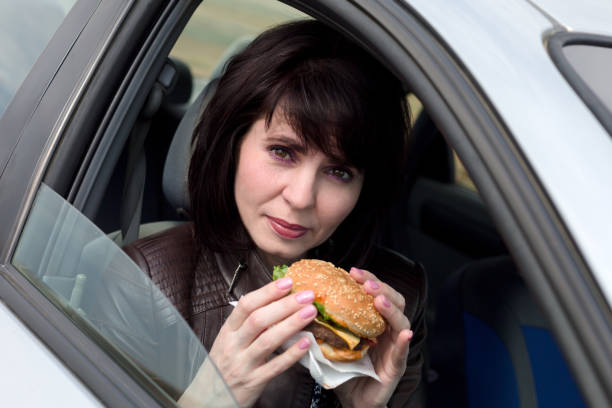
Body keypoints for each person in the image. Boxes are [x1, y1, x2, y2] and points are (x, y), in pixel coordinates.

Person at [124, 19, 426, 407]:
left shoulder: (396, 304)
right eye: (283, 152)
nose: (301, 197)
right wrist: (207, 400)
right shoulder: (145, 283)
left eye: (339, 172)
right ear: (233, 144)